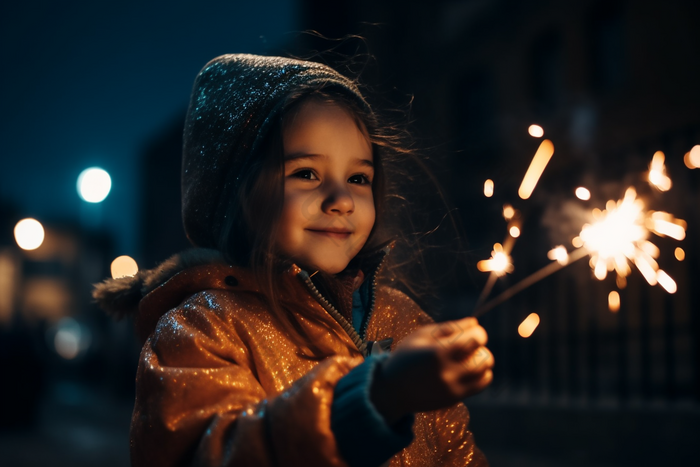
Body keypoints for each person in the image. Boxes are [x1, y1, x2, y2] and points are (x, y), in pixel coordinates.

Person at [94, 53, 494, 467]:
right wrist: (375, 397)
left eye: (359, 178)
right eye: (306, 173)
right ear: (239, 196)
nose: (341, 200)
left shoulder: (404, 320)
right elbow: (218, 453)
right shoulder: (201, 329)